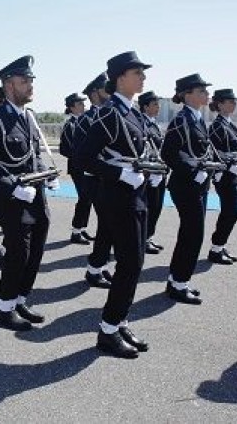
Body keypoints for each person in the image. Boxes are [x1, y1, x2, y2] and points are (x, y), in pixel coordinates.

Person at [76, 51, 153, 358]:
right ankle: (108, 331)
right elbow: (83, 159)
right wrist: (119, 173)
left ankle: (118, 322)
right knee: (130, 264)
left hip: (136, 194)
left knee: (135, 263)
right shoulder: (110, 114)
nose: (143, 78)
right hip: (118, 197)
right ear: (121, 77)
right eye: (138, 73)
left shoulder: (132, 113)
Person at [0, 55, 58, 331]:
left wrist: (46, 175)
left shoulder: (29, 118)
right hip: (13, 199)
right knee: (17, 255)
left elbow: (31, 156)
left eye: (31, 80)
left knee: (35, 252)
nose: (31, 86)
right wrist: (13, 186)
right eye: (25, 81)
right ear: (9, 85)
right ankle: (5, 308)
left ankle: (20, 300)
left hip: (36, 197)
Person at [161, 74, 214, 305]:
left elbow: (201, 150)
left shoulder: (197, 118)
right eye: (201, 90)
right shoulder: (182, 119)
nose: (206, 94)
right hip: (185, 185)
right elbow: (169, 153)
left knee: (189, 234)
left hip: (197, 183)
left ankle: (177, 280)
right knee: (193, 234)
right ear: (187, 94)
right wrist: (194, 170)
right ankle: (178, 284)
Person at [73, 73, 112, 288]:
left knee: (109, 226)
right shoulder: (86, 120)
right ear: (95, 93)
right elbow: (82, 155)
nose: (110, 90)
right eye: (105, 88)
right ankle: (95, 268)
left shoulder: (110, 114)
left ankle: (100, 265)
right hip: (96, 179)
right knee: (106, 224)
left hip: (110, 178)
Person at [208, 88, 237, 264]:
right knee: (229, 213)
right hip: (225, 175)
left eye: (234, 101)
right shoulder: (217, 126)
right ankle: (215, 249)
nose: (233, 104)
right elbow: (215, 153)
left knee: (232, 213)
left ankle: (220, 246)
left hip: (235, 174)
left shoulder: (229, 124)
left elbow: (235, 148)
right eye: (230, 101)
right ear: (220, 104)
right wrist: (230, 166)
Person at [59, 92, 92, 244]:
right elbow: (64, 149)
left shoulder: (85, 121)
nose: (83, 106)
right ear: (72, 108)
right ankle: (76, 231)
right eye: (79, 104)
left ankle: (82, 228)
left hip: (87, 167)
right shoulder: (70, 125)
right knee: (84, 198)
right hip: (77, 168)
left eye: (83, 103)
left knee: (88, 199)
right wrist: (79, 156)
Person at [138, 91, 166, 254]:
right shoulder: (142, 124)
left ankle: (148, 237)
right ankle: (143, 239)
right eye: (155, 104)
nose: (158, 107)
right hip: (148, 174)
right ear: (145, 106)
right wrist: (150, 171)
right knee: (148, 207)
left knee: (156, 207)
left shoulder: (154, 124)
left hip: (159, 171)